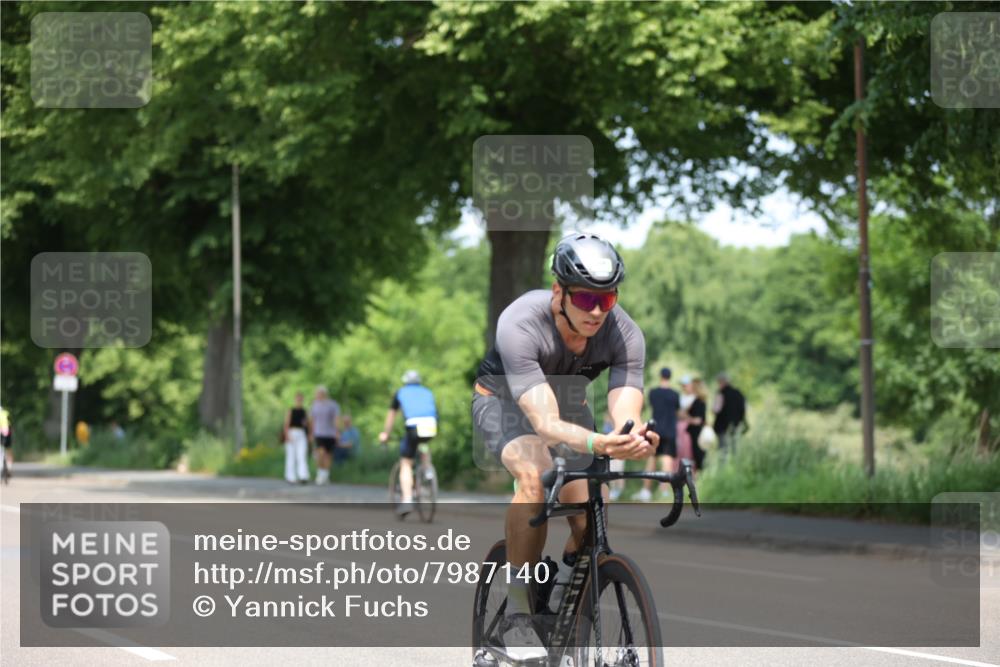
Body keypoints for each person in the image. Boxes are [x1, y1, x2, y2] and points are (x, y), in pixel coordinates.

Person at [471, 232, 656, 660]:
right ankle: (518, 615)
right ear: (559, 291)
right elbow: (545, 424)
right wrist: (597, 440)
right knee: (533, 477)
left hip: (569, 405)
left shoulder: (624, 333)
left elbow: (624, 408)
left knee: (594, 509)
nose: (597, 312)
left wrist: (632, 436)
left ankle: (558, 603)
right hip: (504, 401)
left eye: (606, 301)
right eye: (586, 300)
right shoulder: (520, 322)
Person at [379, 370, 437, 517]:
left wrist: (386, 434)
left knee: (406, 463)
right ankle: (427, 469)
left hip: (413, 426)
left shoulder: (401, 392)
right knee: (424, 442)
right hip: (431, 425)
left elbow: (391, 415)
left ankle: (407, 500)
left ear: (405, 381)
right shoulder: (427, 392)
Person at [633, 367, 680, 502]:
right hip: (670, 430)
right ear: (670, 377)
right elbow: (677, 410)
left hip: (656, 430)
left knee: (651, 459)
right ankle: (664, 492)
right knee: (667, 460)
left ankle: (646, 492)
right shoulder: (675, 394)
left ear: (661, 376)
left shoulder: (653, 392)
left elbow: (650, 406)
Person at [310, 386, 340, 485]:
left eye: (318, 393)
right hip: (319, 433)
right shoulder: (314, 405)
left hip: (330, 433)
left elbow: (336, 419)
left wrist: (337, 432)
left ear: (323, 394)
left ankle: (325, 475)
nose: (316, 395)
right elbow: (312, 420)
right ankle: (320, 474)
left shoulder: (333, 405)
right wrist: (311, 433)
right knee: (320, 454)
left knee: (328, 455)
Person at [712, 372, 746, 462]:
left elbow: (716, 410)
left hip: (722, 426)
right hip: (736, 425)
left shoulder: (720, 394)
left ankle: (723, 470)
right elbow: (743, 409)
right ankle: (734, 466)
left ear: (722, 382)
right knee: (735, 447)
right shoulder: (738, 393)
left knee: (723, 450)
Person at [681, 376, 708, 470]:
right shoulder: (700, 400)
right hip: (696, 431)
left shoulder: (698, 401)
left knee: (698, 455)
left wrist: (688, 419)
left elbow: (698, 420)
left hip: (696, 432)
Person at [283, 392, 311, 484]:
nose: (299, 400)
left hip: (301, 433)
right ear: (295, 399)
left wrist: (309, 433)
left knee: (301, 455)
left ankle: (303, 476)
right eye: (298, 398)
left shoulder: (304, 411)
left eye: (300, 398)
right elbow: (286, 424)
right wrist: (287, 435)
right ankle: (290, 477)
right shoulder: (291, 410)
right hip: (292, 432)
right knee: (291, 456)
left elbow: (308, 424)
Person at [1, 405, 13, 475]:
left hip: (3, 432)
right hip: (7, 433)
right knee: (8, 449)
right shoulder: (6, 413)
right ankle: (9, 468)